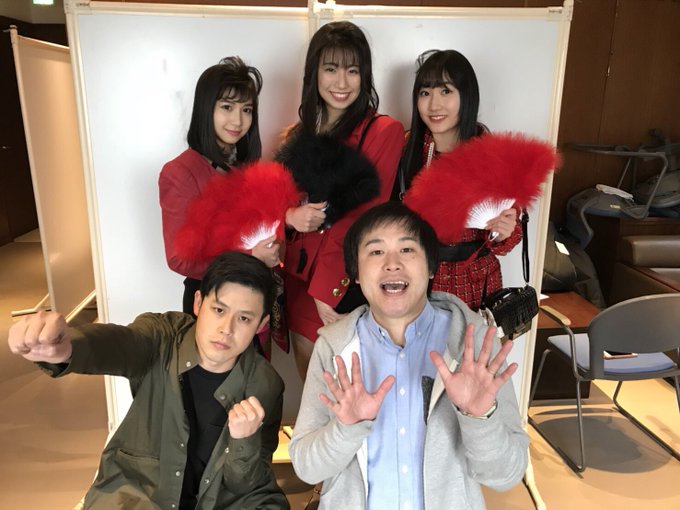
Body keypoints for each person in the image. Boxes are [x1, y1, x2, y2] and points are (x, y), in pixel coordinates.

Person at [289, 202, 529, 510]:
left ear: (431, 267)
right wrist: (345, 429)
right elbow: (307, 468)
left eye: (407, 249)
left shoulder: (472, 345)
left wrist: (479, 418)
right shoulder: (335, 348)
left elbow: (506, 475)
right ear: (356, 274)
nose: (392, 264)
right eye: (376, 251)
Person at [8, 251, 289, 510]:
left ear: (261, 324)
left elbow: (245, 485)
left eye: (244, 319)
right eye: (219, 310)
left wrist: (244, 440)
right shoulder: (162, 336)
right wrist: (67, 348)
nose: (226, 329)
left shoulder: (265, 384)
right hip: (142, 494)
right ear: (198, 303)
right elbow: (121, 344)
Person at [279, 21, 404, 380]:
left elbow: (363, 216)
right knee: (311, 392)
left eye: (353, 71)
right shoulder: (296, 135)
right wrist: (289, 216)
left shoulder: (383, 131)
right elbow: (274, 202)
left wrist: (326, 290)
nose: (342, 82)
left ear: (365, 76)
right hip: (297, 282)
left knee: (349, 393)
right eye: (331, 69)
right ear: (314, 73)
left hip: (342, 283)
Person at [397, 49, 522, 311]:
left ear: (466, 96)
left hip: (475, 282)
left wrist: (504, 232)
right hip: (418, 277)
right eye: (425, 93)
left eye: (446, 91)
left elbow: (509, 238)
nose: (434, 105)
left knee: (471, 340)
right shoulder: (407, 148)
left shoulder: (492, 155)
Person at [159, 56, 280, 315]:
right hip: (211, 301)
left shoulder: (244, 167)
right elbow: (178, 259)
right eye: (227, 107)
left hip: (251, 296)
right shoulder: (180, 171)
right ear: (206, 108)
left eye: (246, 110)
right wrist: (250, 257)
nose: (238, 121)